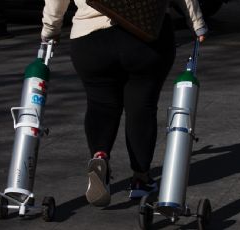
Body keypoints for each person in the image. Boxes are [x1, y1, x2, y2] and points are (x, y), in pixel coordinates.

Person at [41, 0, 208, 206]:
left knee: (100, 104)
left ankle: (100, 156)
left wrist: (50, 29)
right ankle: (141, 179)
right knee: (142, 107)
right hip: (146, 34)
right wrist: (197, 23)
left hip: (90, 39)